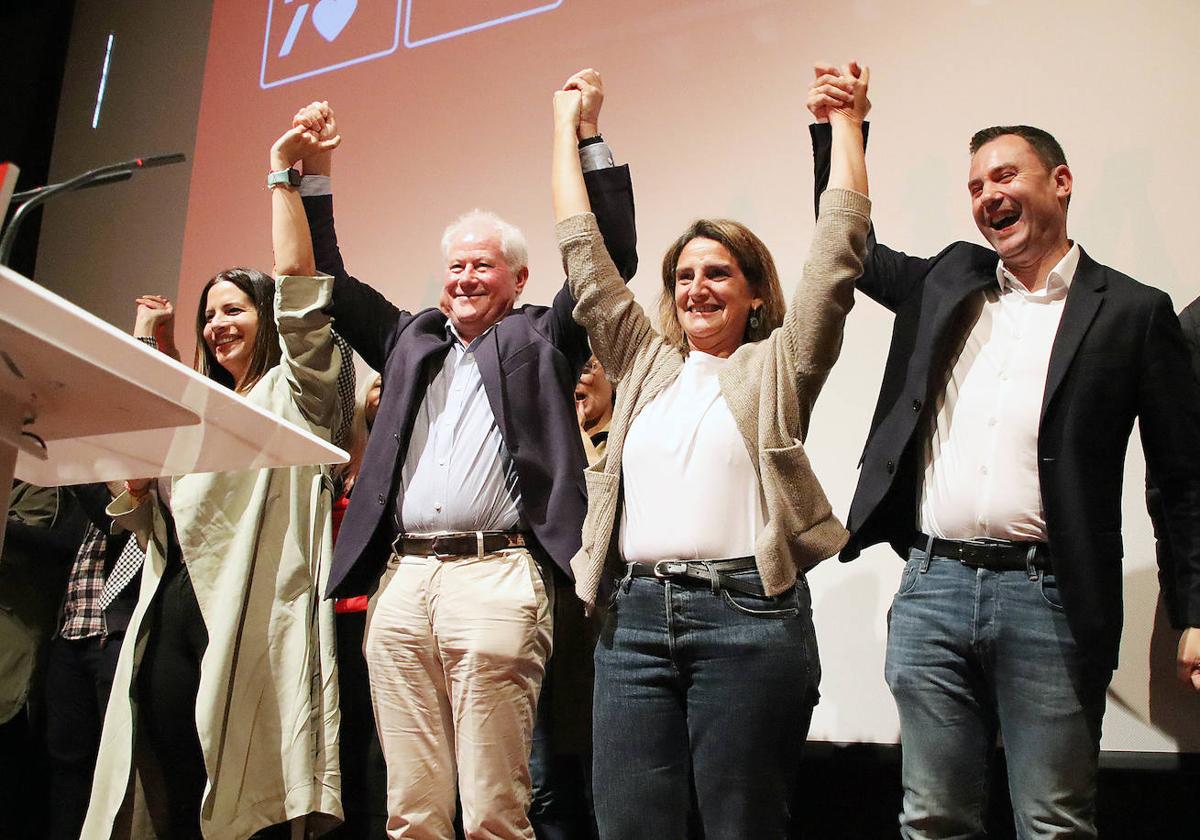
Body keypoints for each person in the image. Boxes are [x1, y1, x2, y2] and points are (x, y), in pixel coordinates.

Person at [808, 64, 1200, 837]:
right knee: (933, 818)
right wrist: (842, 131)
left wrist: (1195, 611)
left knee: (1053, 821)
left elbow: (1182, 484)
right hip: (933, 587)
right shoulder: (950, 278)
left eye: (1005, 175)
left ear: (1060, 182)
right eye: (976, 184)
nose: (988, 194)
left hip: (1050, 597)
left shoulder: (1132, 312)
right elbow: (843, 246)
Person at [292, 68, 637, 839]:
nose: (465, 276)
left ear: (518, 280)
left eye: (483, 264)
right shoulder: (410, 339)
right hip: (404, 581)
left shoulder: (543, 337)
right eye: (455, 265)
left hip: (497, 576)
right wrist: (317, 175)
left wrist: (588, 137)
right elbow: (330, 282)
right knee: (411, 811)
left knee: (492, 812)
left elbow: (609, 258)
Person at [550, 64, 871, 838]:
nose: (697, 287)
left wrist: (848, 126)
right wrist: (568, 131)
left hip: (748, 623)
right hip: (632, 624)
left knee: (743, 828)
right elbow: (584, 259)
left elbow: (836, 258)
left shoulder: (780, 365)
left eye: (718, 273)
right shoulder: (643, 361)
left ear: (755, 290)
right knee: (628, 827)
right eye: (684, 274)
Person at [82, 122, 348, 839]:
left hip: (250, 616)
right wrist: (138, 493)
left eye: (235, 309)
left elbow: (300, 290)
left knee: (243, 801)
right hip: (171, 612)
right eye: (209, 315)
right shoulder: (203, 414)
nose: (218, 324)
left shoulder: (297, 396)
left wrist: (279, 176)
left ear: (267, 320)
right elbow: (156, 506)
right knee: (171, 778)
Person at [528, 353, 617, 840]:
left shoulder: (627, 444)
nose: (575, 382)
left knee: (601, 787)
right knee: (542, 790)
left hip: (601, 637)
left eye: (586, 369)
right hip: (542, 634)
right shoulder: (536, 455)